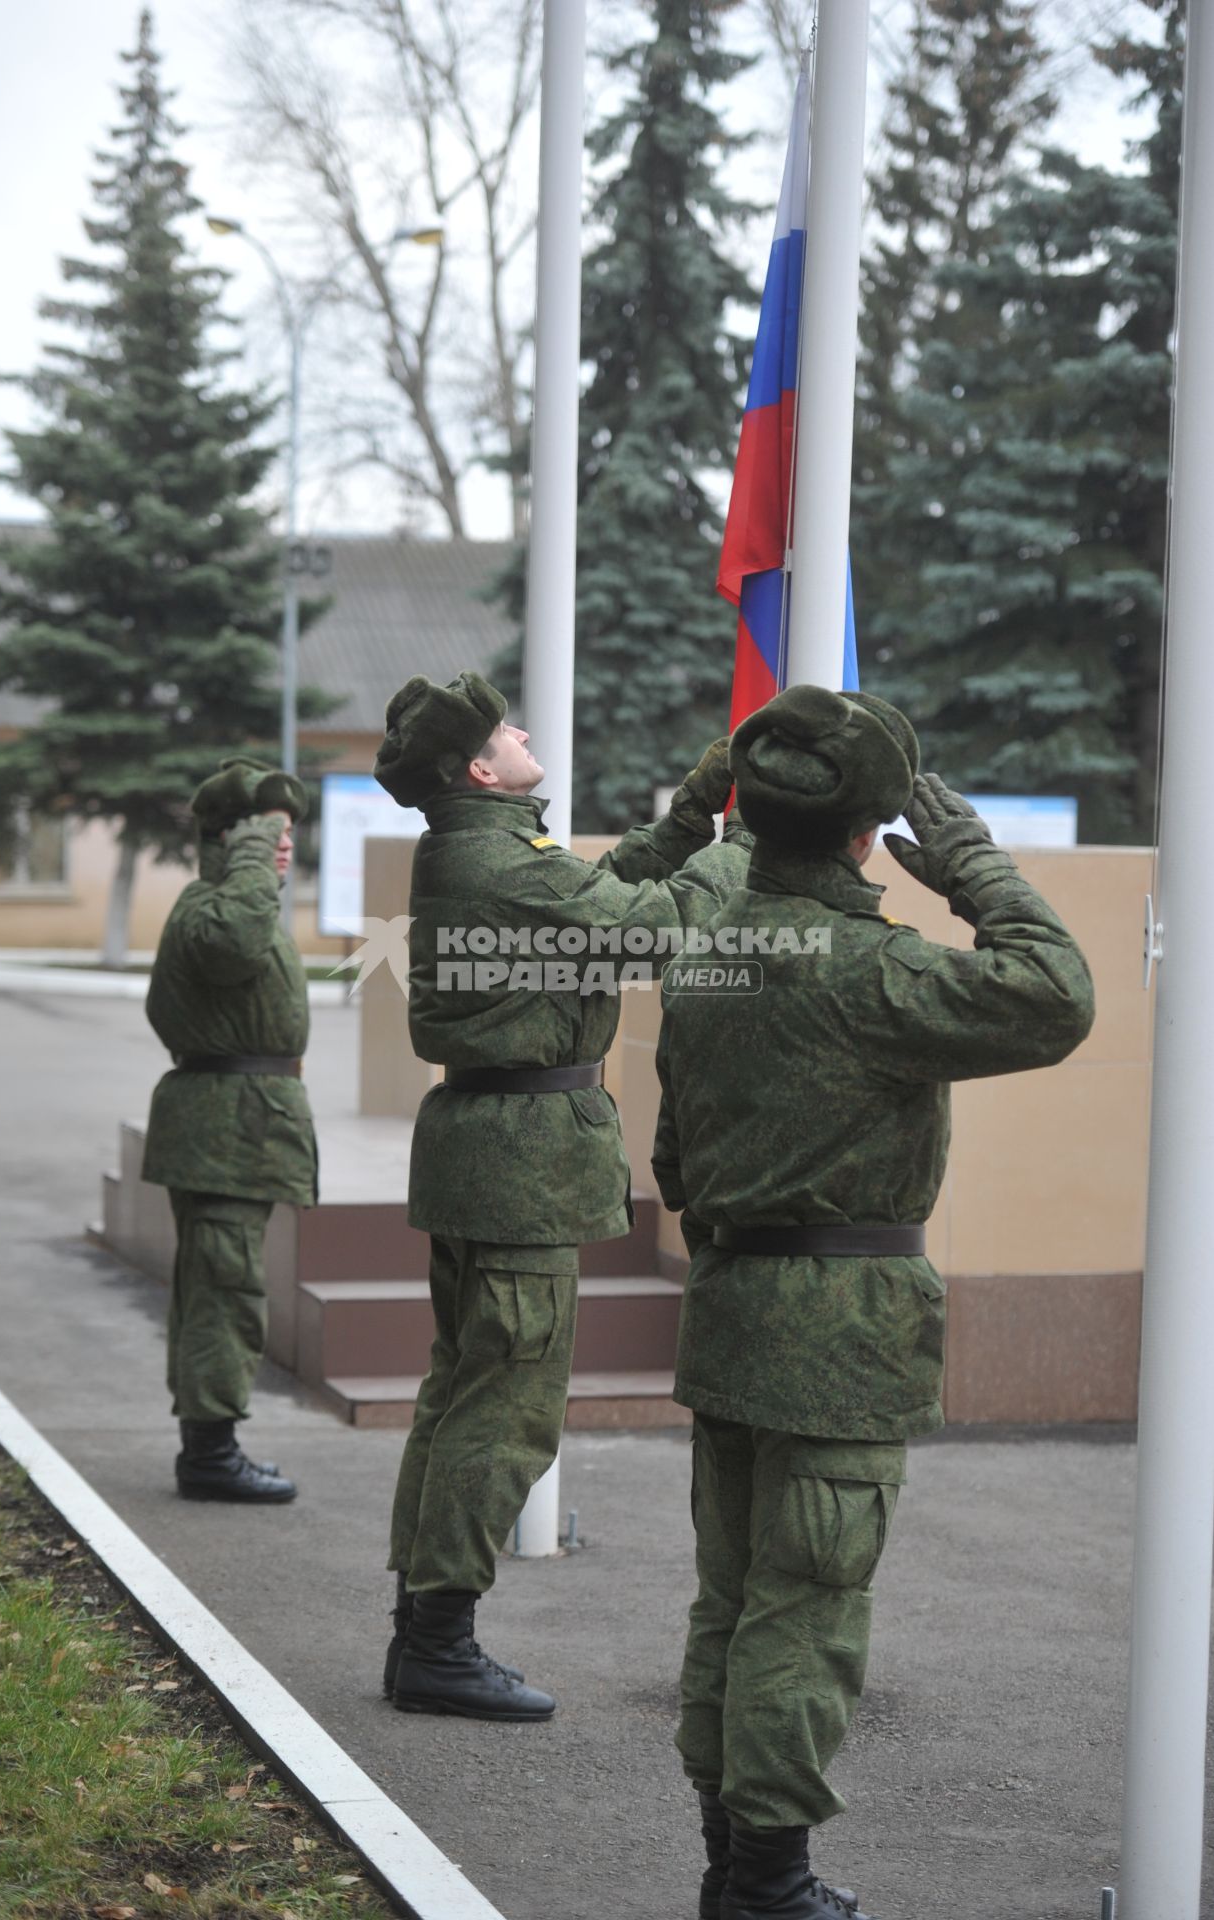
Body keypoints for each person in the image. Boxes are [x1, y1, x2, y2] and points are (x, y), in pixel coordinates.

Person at [652, 686, 1095, 1920]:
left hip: (732, 1300)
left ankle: (728, 1865)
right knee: (807, 1605)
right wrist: (971, 868)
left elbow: (677, 1163)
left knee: (733, 1601)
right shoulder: (873, 968)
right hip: (840, 1325)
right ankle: (767, 1886)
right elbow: (1054, 995)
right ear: (867, 832)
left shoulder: (717, 952)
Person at [370, 669, 750, 1723]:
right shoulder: (498, 859)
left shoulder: (491, 849)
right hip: (519, 1160)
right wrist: (743, 847)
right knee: (505, 1406)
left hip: (495, 1148)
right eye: (506, 728)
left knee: (465, 1393)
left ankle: (425, 1635)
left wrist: (687, 815)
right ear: (480, 769)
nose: (526, 729)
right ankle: (438, 1643)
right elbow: (646, 929)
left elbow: (605, 892)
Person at [142, 755, 318, 1504]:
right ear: (229, 839)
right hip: (225, 1127)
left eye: (288, 834)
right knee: (224, 1289)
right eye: (266, 833)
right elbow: (234, 945)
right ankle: (210, 1455)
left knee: (218, 1283)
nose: (282, 846)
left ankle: (208, 1443)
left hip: (239, 1124)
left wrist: (254, 854)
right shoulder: (214, 907)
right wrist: (249, 858)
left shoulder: (231, 900)